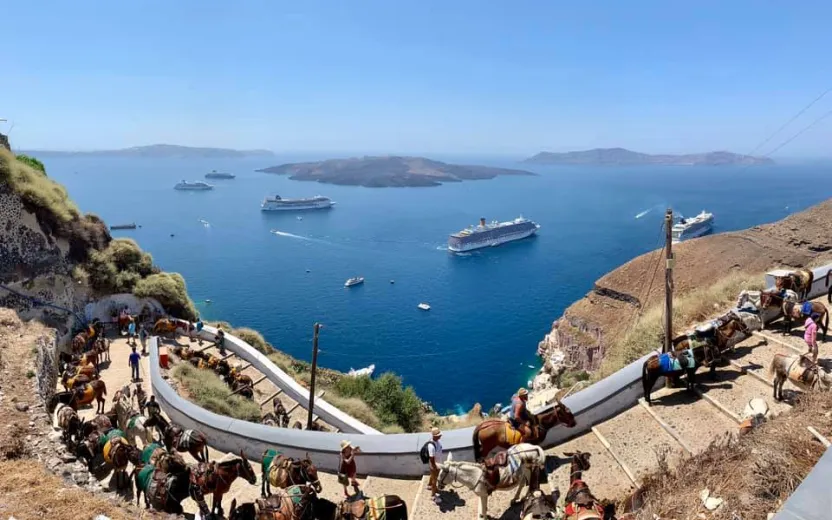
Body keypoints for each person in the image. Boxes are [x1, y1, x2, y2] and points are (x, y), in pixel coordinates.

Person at [427, 427, 443, 504]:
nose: (440, 436)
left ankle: (429, 485)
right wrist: (435, 467)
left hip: (437, 464)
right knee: (435, 481)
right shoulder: (431, 446)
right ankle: (433, 496)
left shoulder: (437, 442)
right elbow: (431, 457)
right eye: (439, 435)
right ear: (435, 436)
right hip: (435, 465)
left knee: (432, 476)